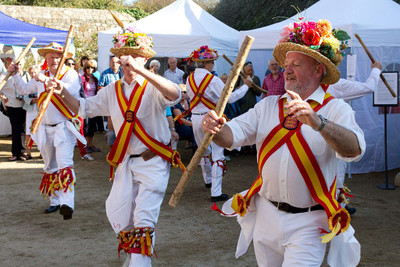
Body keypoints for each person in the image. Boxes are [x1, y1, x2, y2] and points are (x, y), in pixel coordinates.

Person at [202, 18, 365, 266]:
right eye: (285, 64)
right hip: (266, 215)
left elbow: (355, 150)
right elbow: (231, 136)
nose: (286, 70)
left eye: (295, 64)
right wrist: (216, 128)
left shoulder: (336, 109)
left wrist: (317, 121)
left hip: (310, 223)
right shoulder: (267, 106)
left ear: (318, 70)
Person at [51, 27, 181, 266]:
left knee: (143, 220)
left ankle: (139, 262)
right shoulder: (112, 90)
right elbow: (81, 108)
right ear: (119, 60)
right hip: (124, 164)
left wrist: (142, 70)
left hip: (153, 162)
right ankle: (135, 258)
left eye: (135, 57)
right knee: (121, 217)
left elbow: (174, 95)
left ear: (144, 59)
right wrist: (60, 93)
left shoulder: (153, 87)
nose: (128, 61)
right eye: (125, 57)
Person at [8, 42, 83, 220]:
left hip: (64, 127)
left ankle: (67, 203)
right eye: (50, 56)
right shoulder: (42, 76)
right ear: (45, 58)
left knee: (65, 164)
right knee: (50, 167)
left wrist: (45, 81)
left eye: (57, 56)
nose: (54, 59)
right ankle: (54, 201)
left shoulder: (71, 74)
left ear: (64, 57)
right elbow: (24, 89)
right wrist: (15, 74)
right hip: (44, 128)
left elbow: (68, 91)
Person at [185, 45, 252, 202]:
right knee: (217, 154)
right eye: (212, 62)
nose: (213, 65)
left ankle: (208, 180)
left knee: (203, 151)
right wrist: (246, 87)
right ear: (206, 63)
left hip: (195, 118)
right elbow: (230, 98)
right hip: (211, 118)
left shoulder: (189, 78)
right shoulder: (212, 79)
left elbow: (190, 97)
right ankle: (215, 192)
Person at [328, 60, 383, 215]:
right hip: (334, 138)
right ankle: (336, 212)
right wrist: (376, 70)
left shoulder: (309, 84)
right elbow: (369, 87)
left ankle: (341, 206)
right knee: (336, 176)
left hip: (325, 135)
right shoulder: (336, 84)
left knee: (332, 175)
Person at [1, 57, 27, 161]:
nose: (18, 67)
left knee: (22, 130)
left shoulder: (25, 76)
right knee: (16, 129)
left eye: (20, 65)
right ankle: (15, 153)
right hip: (12, 106)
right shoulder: (5, 76)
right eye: (16, 65)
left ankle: (22, 151)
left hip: (25, 105)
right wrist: (2, 96)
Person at [99, 56, 124, 149]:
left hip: (122, 100)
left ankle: (120, 136)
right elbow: (100, 87)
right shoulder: (105, 73)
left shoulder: (123, 73)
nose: (114, 64)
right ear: (110, 63)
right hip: (110, 99)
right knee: (110, 117)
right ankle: (112, 137)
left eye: (116, 62)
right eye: (112, 62)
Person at [80, 59, 102, 154]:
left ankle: (90, 144)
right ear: (85, 68)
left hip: (93, 104)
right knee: (83, 125)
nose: (90, 69)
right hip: (84, 103)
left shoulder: (96, 79)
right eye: (88, 67)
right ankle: (84, 145)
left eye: (92, 67)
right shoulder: (82, 78)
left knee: (92, 125)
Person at [23, 65, 41, 160]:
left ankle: (42, 151)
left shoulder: (42, 83)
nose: (33, 74)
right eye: (31, 73)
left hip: (40, 110)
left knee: (41, 131)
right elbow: (24, 96)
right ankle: (28, 152)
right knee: (28, 132)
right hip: (30, 110)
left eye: (35, 72)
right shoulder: (28, 84)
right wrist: (32, 100)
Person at [172, 84, 195, 151]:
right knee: (194, 132)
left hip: (191, 123)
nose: (183, 94)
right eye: (181, 92)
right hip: (181, 125)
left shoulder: (189, 102)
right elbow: (181, 119)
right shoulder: (175, 104)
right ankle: (196, 151)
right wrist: (194, 124)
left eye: (184, 92)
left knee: (197, 131)